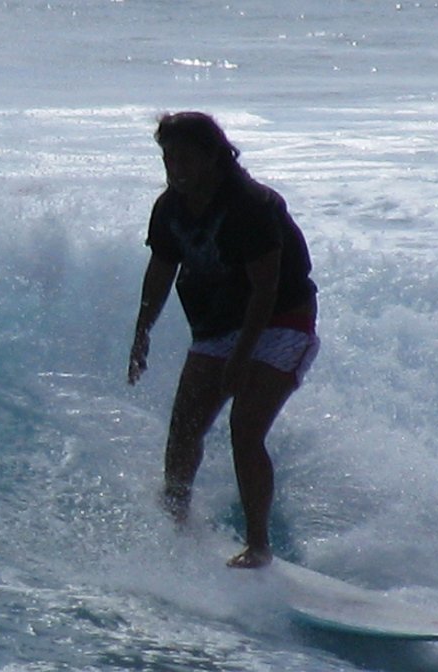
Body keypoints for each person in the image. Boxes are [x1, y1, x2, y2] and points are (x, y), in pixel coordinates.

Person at [127, 112, 319, 569]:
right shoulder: (170, 208)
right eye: (167, 157)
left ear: (214, 156)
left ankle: (258, 546)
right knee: (183, 433)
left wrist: (242, 354)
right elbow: (161, 271)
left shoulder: (250, 205)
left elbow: (266, 288)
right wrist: (142, 331)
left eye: (185, 158)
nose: (175, 168)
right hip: (216, 328)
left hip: (281, 321)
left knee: (244, 429)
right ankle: (175, 528)